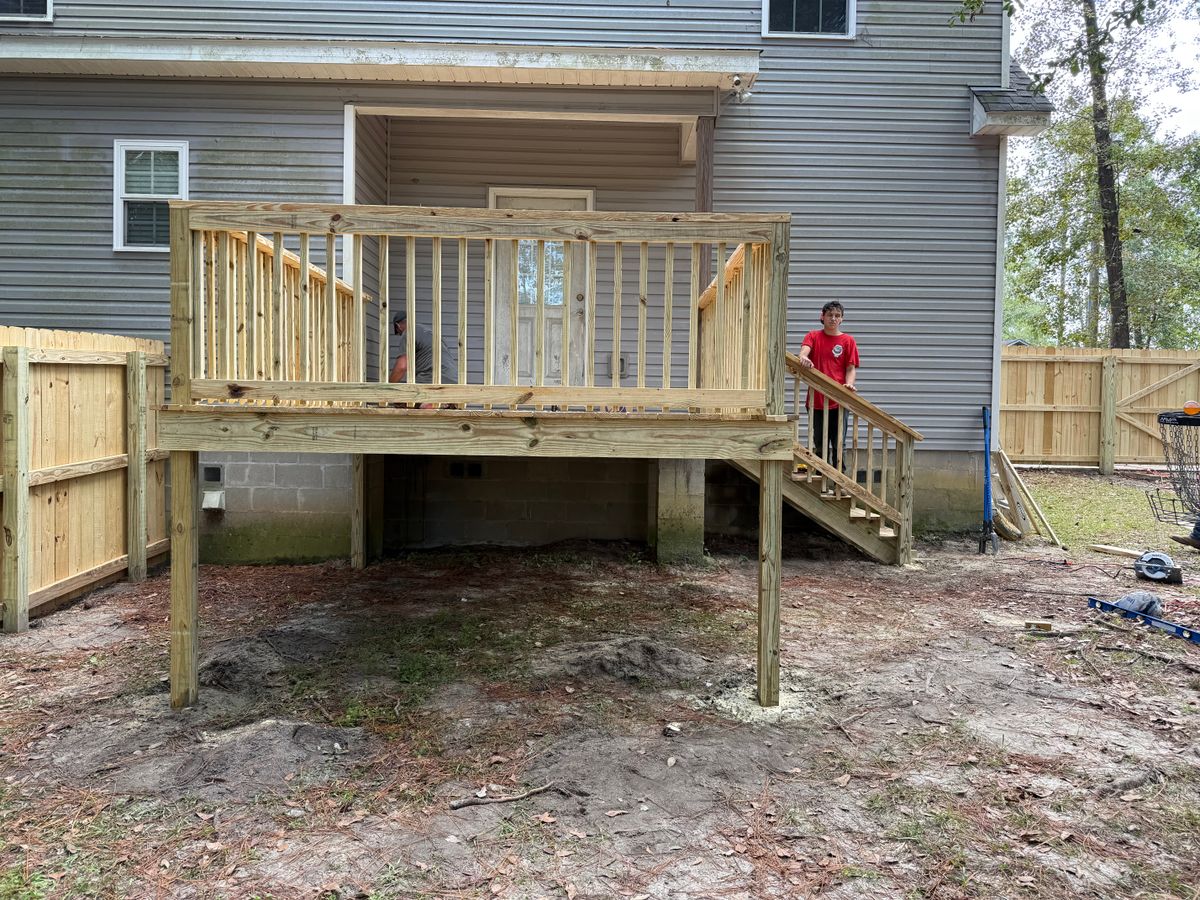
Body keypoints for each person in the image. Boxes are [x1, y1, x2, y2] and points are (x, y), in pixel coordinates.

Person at [796, 300, 859, 469]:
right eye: (830, 315)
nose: (833, 319)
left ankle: (840, 482)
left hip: (839, 401)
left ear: (842, 319)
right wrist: (804, 357)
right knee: (820, 443)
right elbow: (804, 351)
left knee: (839, 444)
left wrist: (849, 385)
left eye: (837, 316)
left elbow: (850, 368)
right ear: (822, 317)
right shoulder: (813, 336)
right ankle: (820, 477)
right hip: (816, 401)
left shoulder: (848, 340)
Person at [390, 311, 458, 408]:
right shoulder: (431, 332)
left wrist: (388, 388)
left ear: (398, 326)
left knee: (402, 401)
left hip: (431, 380)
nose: (401, 335)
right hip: (453, 383)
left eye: (399, 333)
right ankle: (443, 403)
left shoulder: (408, 332)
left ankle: (429, 404)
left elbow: (401, 367)